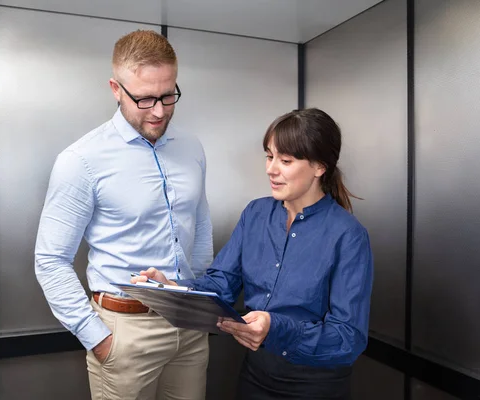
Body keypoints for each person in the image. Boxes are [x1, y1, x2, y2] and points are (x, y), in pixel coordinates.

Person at [133, 108, 374, 400]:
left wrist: (276, 328)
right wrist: (173, 288)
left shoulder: (348, 235)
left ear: (319, 167)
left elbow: (348, 339)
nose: (271, 169)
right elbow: (221, 284)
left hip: (316, 387)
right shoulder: (256, 214)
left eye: (286, 161)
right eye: (269, 156)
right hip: (255, 378)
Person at [35, 30, 213, 400]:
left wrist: (198, 301)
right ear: (116, 89)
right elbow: (51, 260)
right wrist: (98, 339)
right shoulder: (81, 161)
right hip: (125, 332)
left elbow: (199, 227)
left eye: (168, 95)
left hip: (190, 328)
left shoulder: (192, 148)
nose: (160, 111)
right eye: (145, 99)